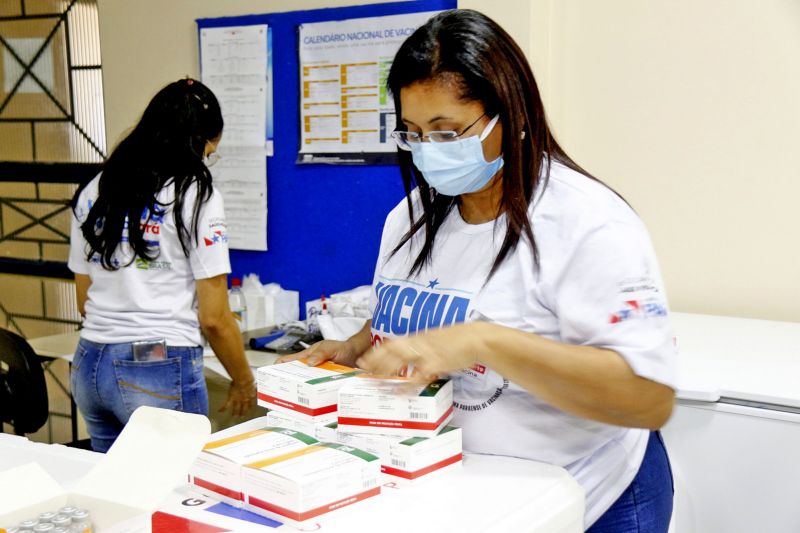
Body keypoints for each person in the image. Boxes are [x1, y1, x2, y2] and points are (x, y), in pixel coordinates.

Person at [284, 10, 676, 532]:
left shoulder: (588, 221)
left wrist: (484, 342)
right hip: (466, 494)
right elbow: (411, 309)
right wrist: (356, 346)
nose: (427, 153)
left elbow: (646, 397)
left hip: (586, 495)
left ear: (510, 114)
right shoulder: (409, 219)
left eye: (447, 133)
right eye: (412, 134)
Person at [68, 78, 256, 453]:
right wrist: (243, 380)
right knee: (175, 483)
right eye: (209, 153)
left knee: (114, 484)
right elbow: (214, 318)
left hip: (90, 361)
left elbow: (83, 299)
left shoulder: (97, 188)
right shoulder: (194, 192)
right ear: (202, 142)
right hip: (155, 361)